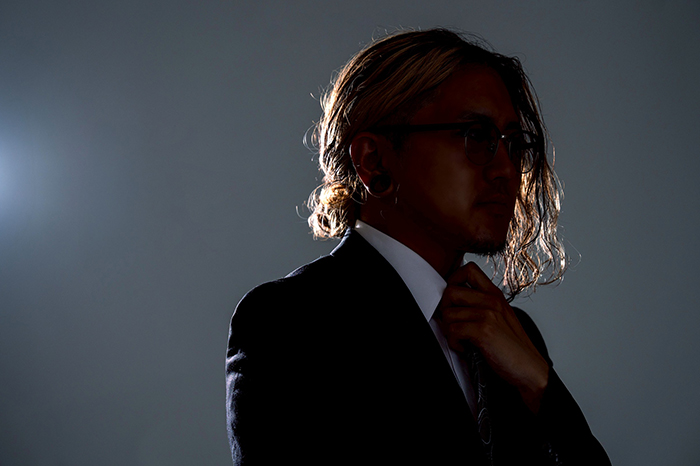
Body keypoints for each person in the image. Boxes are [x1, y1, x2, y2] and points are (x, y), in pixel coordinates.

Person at [226, 28, 611, 465]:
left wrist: (541, 386)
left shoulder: (516, 340)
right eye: (476, 135)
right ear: (373, 160)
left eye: (514, 144)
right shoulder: (289, 323)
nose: (506, 169)